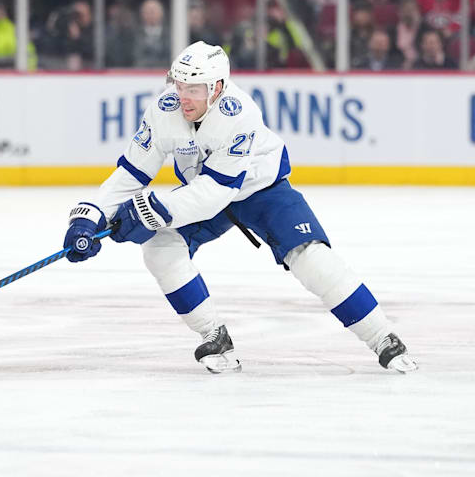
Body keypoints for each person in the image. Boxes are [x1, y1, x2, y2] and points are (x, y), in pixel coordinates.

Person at [61, 41, 418, 374]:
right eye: (179, 85)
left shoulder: (239, 112)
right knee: (158, 248)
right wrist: (89, 215)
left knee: (310, 258)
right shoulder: (164, 110)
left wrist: (153, 210)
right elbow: (131, 172)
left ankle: (382, 336)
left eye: (194, 89)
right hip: (204, 191)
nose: (183, 96)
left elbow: (218, 190)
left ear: (216, 88)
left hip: (259, 190)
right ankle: (213, 335)